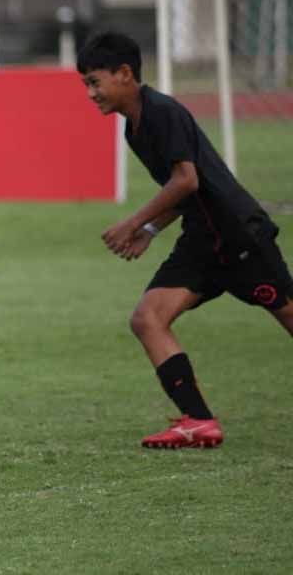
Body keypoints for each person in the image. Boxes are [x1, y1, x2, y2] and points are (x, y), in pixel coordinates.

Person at [77, 31, 293, 449]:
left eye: (94, 81)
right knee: (147, 318)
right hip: (202, 240)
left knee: (287, 313)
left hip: (236, 234)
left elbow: (186, 179)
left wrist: (132, 221)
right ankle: (198, 421)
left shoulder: (161, 112)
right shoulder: (134, 128)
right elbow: (184, 191)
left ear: (124, 73)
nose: (90, 93)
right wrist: (152, 230)